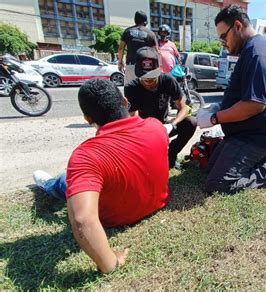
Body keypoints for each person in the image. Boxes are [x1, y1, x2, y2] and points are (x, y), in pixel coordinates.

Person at [32, 79, 170, 273]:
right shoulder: (156, 126)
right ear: (124, 101)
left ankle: (48, 185)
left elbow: (82, 221)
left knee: (65, 182)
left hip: (115, 218)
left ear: (88, 118)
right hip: (155, 204)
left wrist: (110, 264)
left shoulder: (86, 156)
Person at [196, 4, 266, 194]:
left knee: (217, 185)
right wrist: (218, 106)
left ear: (238, 26)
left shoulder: (258, 53)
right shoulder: (250, 50)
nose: (223, 43)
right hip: (241, 133)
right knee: (209, 167)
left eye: (224, 37)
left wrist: (214, 118)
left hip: (255, 137)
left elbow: (253, 105)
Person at [125, 47, 197, 169]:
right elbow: (133, 117)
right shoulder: (131, 88)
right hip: (143, 129)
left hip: (165, 126)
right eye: (145, 77)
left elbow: (184, 108)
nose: (149, 81)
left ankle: (171, 154)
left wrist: (172, 125)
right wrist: (150, 131)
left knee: (191, 122)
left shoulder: (168, 81)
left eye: (152, 77)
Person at [118, 11, 159, 85]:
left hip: (131, 65)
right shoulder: (150, 34)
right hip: (146, 67)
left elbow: (121, 49)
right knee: (144, 90)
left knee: (129, 90)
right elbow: (156, 52)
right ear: (145, 22)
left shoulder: (127, 31)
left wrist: (120, 62)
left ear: (135, 20)